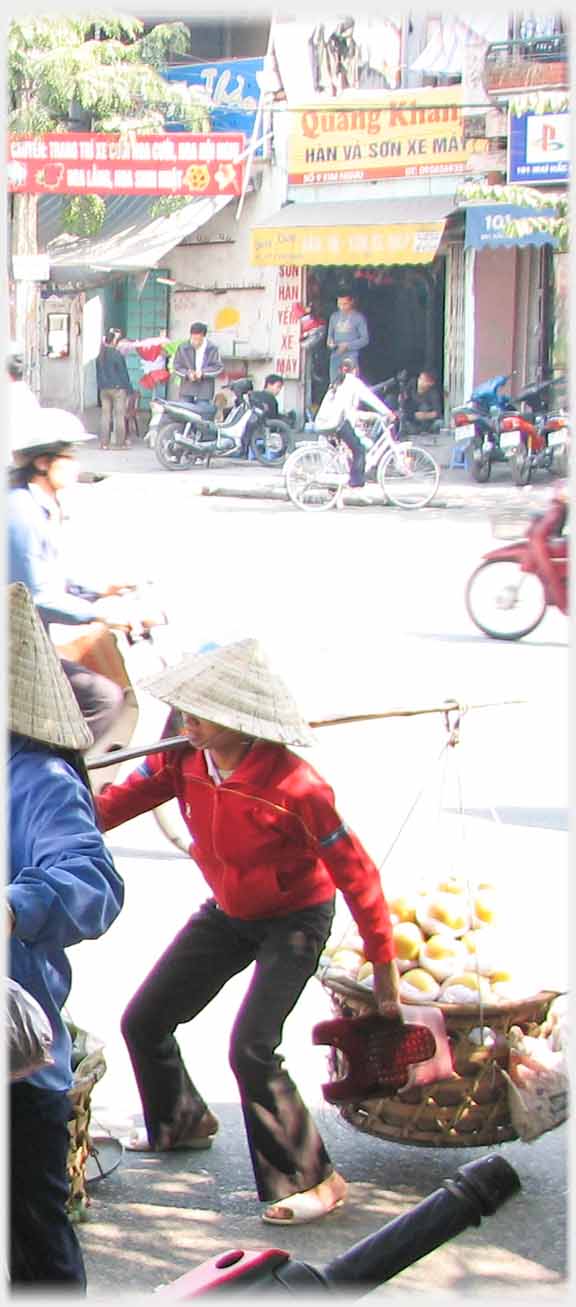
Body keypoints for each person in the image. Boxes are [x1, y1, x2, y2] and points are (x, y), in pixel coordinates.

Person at [94, 639, 401, 1227]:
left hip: (296, 917)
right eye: (183, 711)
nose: (185, 723)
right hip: (230, 910)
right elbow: (113, 806)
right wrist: (51, 808)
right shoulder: (180, 760)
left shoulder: (297, 788)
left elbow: (357, 875)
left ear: (241, 721)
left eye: (200, 714)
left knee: (252, 1047)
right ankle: (182, 1120)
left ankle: (317, 1179)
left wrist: (383, 965)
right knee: (146, 1020)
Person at [8, 581, 124, 1289]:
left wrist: (15, 905)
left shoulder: (39, 778)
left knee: (35, 1248)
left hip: (14, 1069)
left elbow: (93, 879)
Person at [8, 407, 132, 745]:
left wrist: (107, 588)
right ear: (43, 462)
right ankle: (52, 776)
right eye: (69, 455)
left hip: (27, 644)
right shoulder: (19, 513)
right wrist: (102, 614)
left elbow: (53, 577)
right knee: (103, 699)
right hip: (13, 651)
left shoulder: (38, 506)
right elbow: (35, 598)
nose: (76, 464)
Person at [95, 328, 133, 448]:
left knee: (105, 416)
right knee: (119, 416)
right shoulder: (117, 354)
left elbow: (98, 374)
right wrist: (129, 389)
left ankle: (104, 444)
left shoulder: (99, 356)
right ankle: (120, 444)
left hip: (104, 389)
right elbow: (123, 373)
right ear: (114, 341)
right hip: (117, 389)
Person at [172, 322, 224, 403]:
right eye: (193, 339)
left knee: (202, 411)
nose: (195, 342)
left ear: (203, 336)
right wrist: (187, 374)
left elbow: (218, 367)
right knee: (184, 411)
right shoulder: (183, 347)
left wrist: (203, 373)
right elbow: (176, 366)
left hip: (205, 389)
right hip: (187, 388)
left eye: (198, 339)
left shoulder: (212, 348)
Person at [326, 293, 369, 383]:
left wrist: (347, 346)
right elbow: (329, 338)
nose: (341, 307)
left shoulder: (358, 318)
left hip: (351, 356)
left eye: (345, 304)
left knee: (350, 384)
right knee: (334, 385)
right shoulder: (334, 317)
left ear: (351, 302)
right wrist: (331, 344)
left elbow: (365, 339)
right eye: (339, 304)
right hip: (336, 356)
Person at [405, 370, 444, 435]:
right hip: (413, 421)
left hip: (428, 424)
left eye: (425, 380)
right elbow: (404, 400)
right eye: (421, 379)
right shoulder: (412, 384)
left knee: (440, 423)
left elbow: (438, 413)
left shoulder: (433, 394)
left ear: (431, 383)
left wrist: (425, 415)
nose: (421, 382)